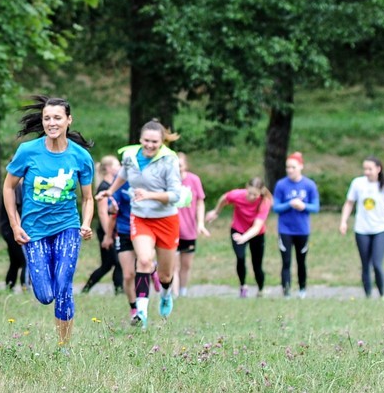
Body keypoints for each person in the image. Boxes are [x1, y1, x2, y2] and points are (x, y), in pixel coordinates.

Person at [2, 95, 94, 349]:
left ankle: (63, 346)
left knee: (64, 284)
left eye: (57, 118)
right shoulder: (27, 152)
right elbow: (8, 188)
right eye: (47, 118)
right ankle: (51, 305)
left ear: (68, 120)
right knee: (45, 295)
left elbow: (88, 198)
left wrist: (85, 223)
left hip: (67, 227)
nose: (51, 122)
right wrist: (15, 224)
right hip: (34, 231)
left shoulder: (80, 157)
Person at [97, 119, 181, 329]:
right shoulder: (130, 156)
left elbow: (175, 195)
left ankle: (165, 294)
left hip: (166, 219)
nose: (150, 145)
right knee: (144, 261)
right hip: (141, 217)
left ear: (162, 142)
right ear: (140, 139)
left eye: (155, 142)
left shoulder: (169, 161)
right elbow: (123, 176)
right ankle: (141, 313)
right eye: (146, 141)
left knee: (165, 274)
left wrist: (149, 195)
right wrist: (110, 190)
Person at [205, 177, 273, 298]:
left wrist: (244, 238)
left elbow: (257, 227)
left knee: (257, 264)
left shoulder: (264, 202)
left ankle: (261, 289)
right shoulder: (237, 195)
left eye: (255, 195)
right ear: (246, 188)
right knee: (240, 258)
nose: (252, 197)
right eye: (250, 193)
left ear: (261, 192)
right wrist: (216, 212)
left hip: (256, 234)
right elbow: (224, 198)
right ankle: (243, 286)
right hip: (238, 230)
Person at [339, 156, 384, 299]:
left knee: (377, 263)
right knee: (365, 263)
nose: (367, 172)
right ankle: (367, 295)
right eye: (365, 169)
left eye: (370, 169)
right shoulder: (357, 183)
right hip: (361, 229)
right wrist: (344, 221)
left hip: (380, 228)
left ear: (378, 169)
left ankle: (383, 293)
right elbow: (349, 203)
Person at [273, 151, 319, 299]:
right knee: (286, 261)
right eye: (288, 167)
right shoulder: (281, 184)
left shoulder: (309, 185)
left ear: (301, 167)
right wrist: (290, 204)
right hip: (285, 229)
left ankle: (302, 289)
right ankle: (286, 291)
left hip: (302, 230)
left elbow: (316, 207)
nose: (290, 170)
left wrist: (303, 206)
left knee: (301, 261)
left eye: (293, 167)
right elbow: (276, 207)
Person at [82, 156, 124, 295]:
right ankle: (119, 291)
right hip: (106, 231)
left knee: (108, 264)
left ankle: (86, 289)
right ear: (109, 168)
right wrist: (108, 235)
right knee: (116, 263)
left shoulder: (113, 187)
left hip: (113, 230)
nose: (119, 168)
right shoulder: (104, 188)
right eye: (117, 165)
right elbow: (102, 213)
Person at [173, 152, 208, 297]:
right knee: (173, 266)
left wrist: (200, 223)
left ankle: (183, 291)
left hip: (189, 230)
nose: (178, 168)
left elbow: (200, 202)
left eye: (180, 165)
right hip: (171, 230)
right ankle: (173, 296)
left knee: (186, 265)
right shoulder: (167, 181)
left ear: (185, 165)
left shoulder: (194, 180)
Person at [105, 181, 139, 324]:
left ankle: (153, 268)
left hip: (142, 230)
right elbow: (112, 211)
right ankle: (134, 309)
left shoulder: (146, 179)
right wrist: (108, 235)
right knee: (128, 274)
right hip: (124, 232)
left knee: (144, 264)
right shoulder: (120, 183)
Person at [0, 181, 28, 291]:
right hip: (13, 231)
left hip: (8, 230)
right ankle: (26, 287)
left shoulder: (18, 186)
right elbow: (15, 209)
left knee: (15, 262)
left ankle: (9, 286)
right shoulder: (15, 186)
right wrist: (19, 227)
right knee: (27, 261)